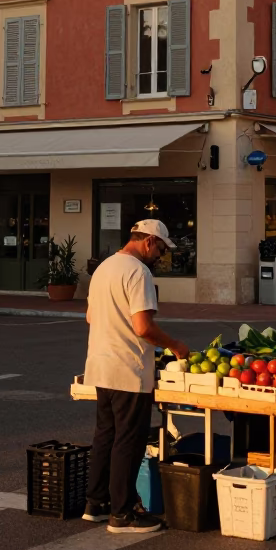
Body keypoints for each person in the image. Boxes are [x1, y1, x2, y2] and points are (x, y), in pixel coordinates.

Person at [82, 219, 188, 532]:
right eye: (160, 248)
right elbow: (143, 327)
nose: (159, 255)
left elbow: (90, 317)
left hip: (100, 366)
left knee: (106, 436)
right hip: (128, 369)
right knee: (128, 441)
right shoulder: (138, 272)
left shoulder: (103, 269)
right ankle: (123, 513)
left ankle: (96, 503)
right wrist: (175, 345)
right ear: (148, 241)